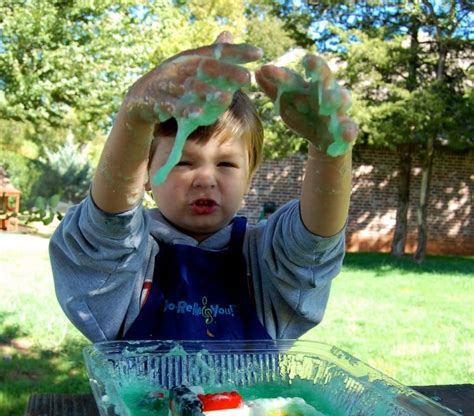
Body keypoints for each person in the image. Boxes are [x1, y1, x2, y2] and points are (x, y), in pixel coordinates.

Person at [49, 32, 358, 343]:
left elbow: (313, 246)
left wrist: (329, 155)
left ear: (249, 178)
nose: (206, 178)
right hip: (145, 395)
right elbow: (106, 230)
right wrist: (134, 117)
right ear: (144, 173)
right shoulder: (131, 256)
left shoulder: (265, 260)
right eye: (183, 162)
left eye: (226, 164)